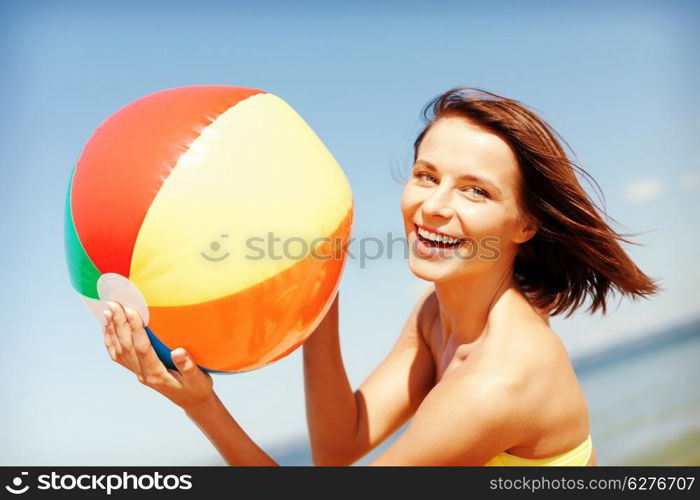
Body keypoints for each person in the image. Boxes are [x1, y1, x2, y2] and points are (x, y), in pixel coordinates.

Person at [102, 87, 658, 466]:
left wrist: (201, 404)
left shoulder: (499, 382)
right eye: (426, 175)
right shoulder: (436, 314)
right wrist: (317, 285)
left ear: (526, 223)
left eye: (475, 190)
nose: (434, 206)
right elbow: (339, 447)